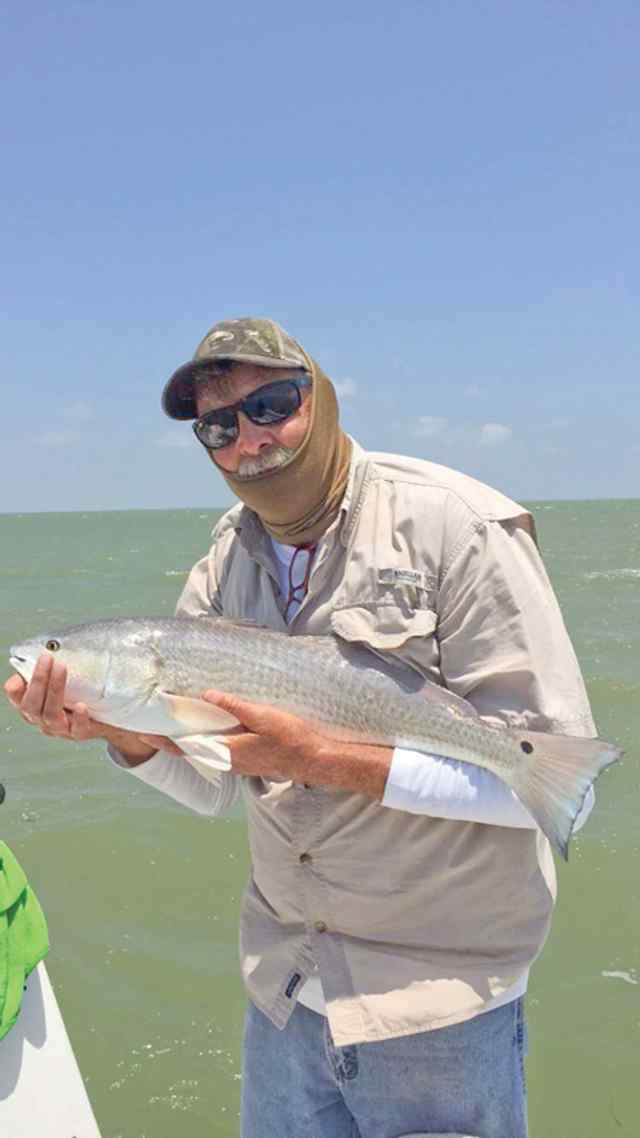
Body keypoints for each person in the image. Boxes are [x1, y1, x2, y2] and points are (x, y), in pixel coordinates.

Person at [5, 317, 598, 1138]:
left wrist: (325, 757)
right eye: (218, 426)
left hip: (436, 1008)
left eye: (272, 404)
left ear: (318, 397)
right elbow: (213, 789)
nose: (249, 439)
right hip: (285, 991)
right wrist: (126, 734)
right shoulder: (224, 561)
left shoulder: (455, 525)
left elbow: (552, 790)